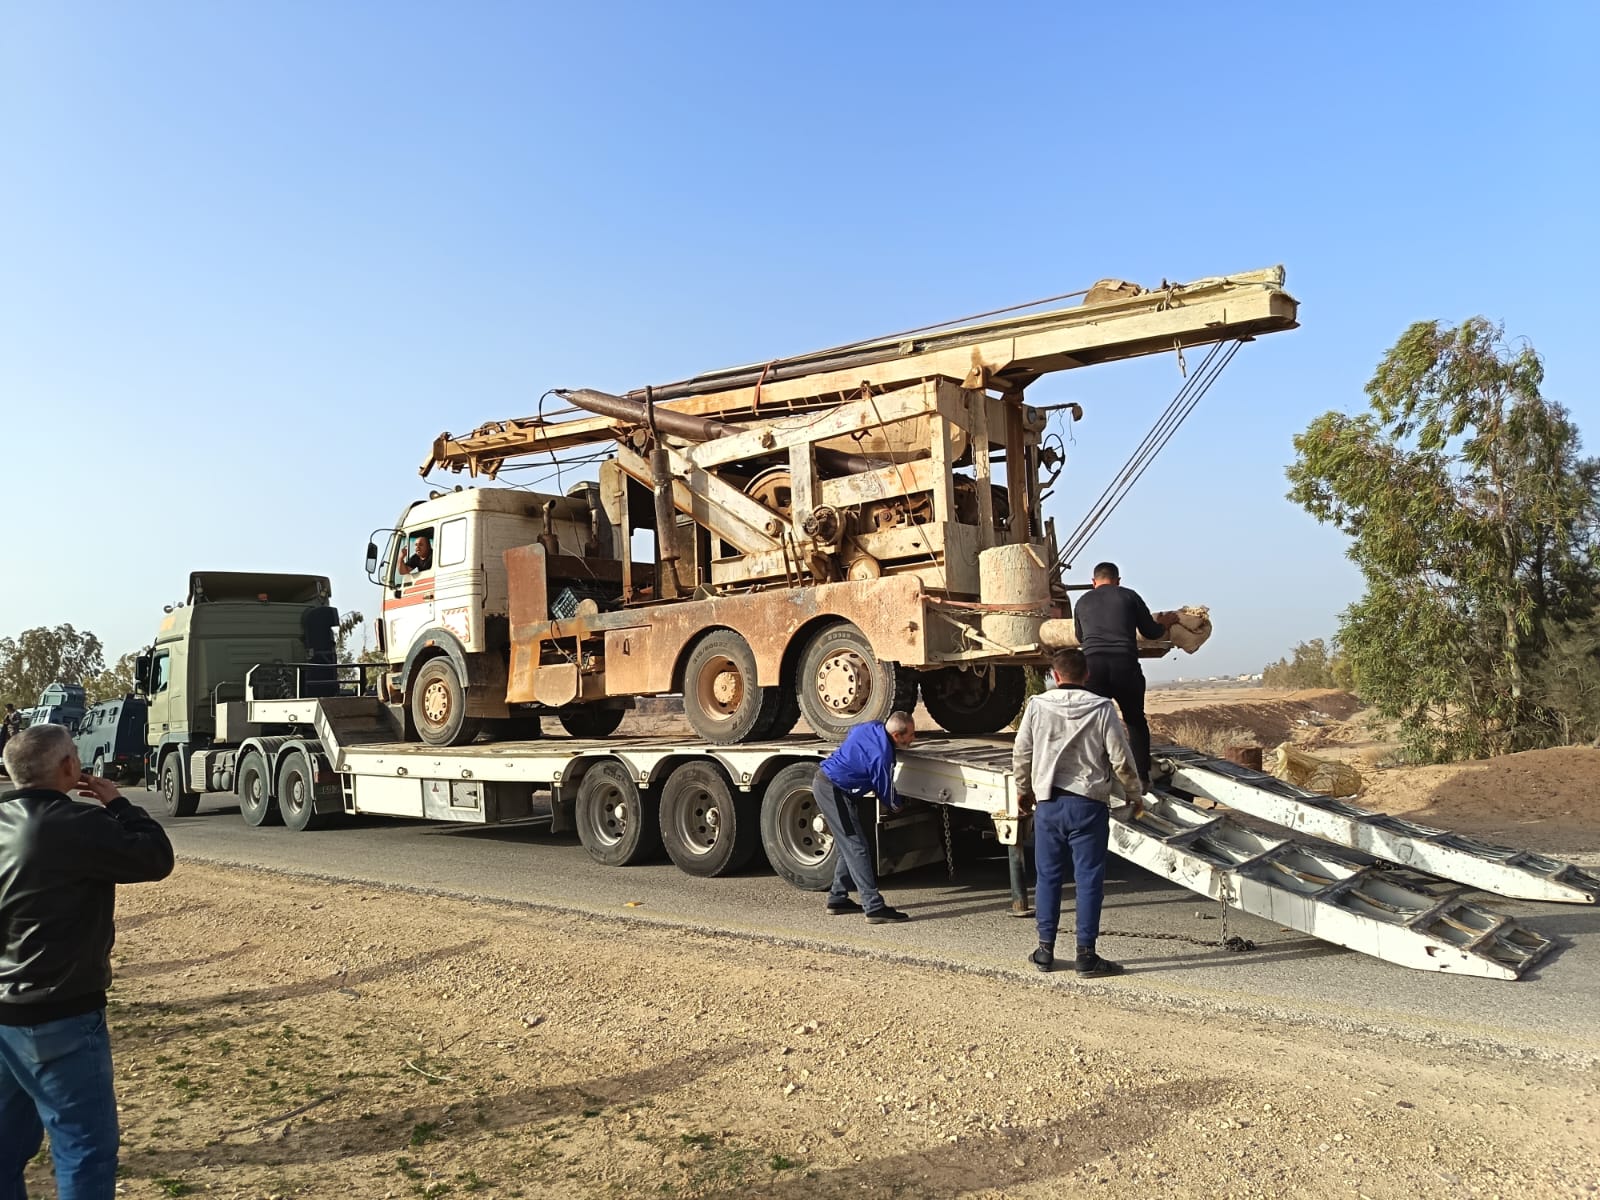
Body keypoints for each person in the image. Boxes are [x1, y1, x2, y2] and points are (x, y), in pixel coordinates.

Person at [0, 723, 175, 1199]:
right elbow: (156, 857)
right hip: (62, 1014)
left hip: (4, 1014)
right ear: (68, 768)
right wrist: (117, 803)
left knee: (5, 1148)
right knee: (83, 1149)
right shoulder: (78, 824)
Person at [1012, 647, 1144, 977]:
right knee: (1088, 880)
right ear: (1087, 675)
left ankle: (1045, 951)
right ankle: (1086, 955)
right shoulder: (1102, 708)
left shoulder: (1037, 706)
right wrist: (1134, 793)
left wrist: (1023, 791)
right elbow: (1121, 757)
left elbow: (1022, 752)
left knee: (1048, 878)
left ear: (1055, 676)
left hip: (1049, 805)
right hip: (1088, 805)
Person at [1071, 561, 1180, 792]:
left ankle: (1094, 775)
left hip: (1093, 667)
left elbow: (1081, 637)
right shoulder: (1129, 596)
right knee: (1135, 721)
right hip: (1125, 665)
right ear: (1118, 581)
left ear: (1093, 582)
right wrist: (1166, 623)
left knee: (1092, 722)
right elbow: (1151, 632)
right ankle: (1141, 777)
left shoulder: (1082, 601)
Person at [811, 711, 917, 924]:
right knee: (857, 847)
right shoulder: (882, 754)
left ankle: (837, 898)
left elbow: (853, 732)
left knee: (847, 847)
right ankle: (874, 907)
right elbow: (884, 789)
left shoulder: (872, 727)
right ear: (897, 736)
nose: (913, 739)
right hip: (834, 790)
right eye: (911, 735)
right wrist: (898, 806)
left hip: (831, 786)